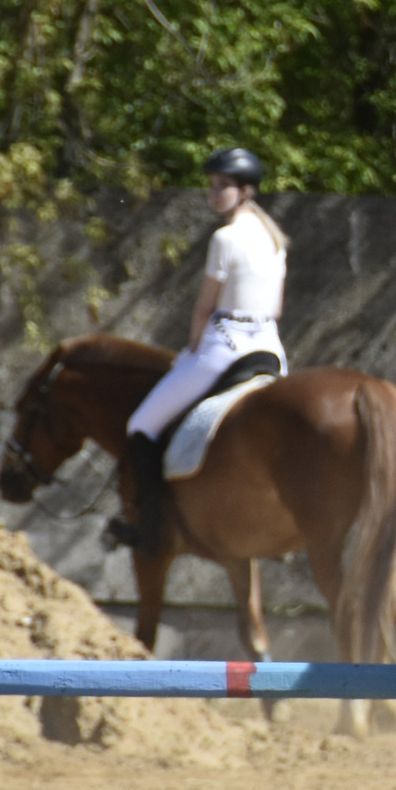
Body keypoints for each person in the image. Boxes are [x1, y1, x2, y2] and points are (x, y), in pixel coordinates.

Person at [109, 147, 290, 555]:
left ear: (245, 191)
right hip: (271, 348)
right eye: (211, 186)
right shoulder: (275, 240)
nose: (213, 194)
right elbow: (276, 308)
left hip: (226, 346)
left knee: (140, 425)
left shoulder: (224, 238)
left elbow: (205, 307)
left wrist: (191, 351)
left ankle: (150, 528)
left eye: (222, 186)